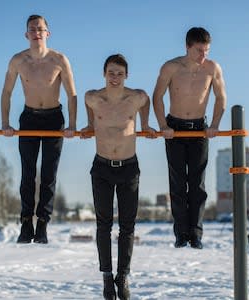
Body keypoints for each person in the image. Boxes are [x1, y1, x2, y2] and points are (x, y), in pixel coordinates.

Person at [81, 54, 155, 300]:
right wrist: (90, 125)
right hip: (101, 168)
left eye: (119, 73)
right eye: (111, 73)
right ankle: (106, 276)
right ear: (104, 73)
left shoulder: (135, 97)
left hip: (128, 167)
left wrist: (145, 124)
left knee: (127, 226)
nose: (115, 78)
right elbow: (87, 107)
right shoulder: (93, 97)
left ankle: (122, 276)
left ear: (126, 76)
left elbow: (147, 100)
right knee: (103, 225)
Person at [1, 15, 77, 244]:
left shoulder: (59, 59)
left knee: (48, 174)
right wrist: (5, 123)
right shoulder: (18, 60)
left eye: (40, 29)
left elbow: (72, 94)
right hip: (29, 118)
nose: (36, 32)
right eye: (32, 29)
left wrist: (73, 124)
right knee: (28, 172)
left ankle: (42, 224)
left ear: (47, 33)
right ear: (26, 34)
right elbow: (6, 92)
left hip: (54, 119)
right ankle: (26, 223)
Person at [153, 27, 227, 249]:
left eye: (206, 51)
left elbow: (221, 97)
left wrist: (214, 125)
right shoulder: (171, 67)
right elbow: (157, 97)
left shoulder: (212, 68)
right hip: (174, 129)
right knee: (177, 184)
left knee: (197, 184)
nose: (203, 56)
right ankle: (180, 233)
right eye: (199, 51)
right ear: (187, 47)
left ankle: (195, 234)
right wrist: (163, 126)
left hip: (199, 129)